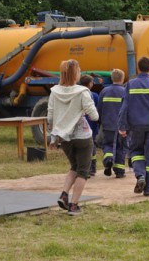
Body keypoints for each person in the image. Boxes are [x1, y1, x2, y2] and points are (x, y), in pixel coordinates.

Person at [48, 59, 98, 216]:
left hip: (64, 138)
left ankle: (64, 194)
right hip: (82, 136)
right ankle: (74, 205)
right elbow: (94, 116)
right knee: (83, 171)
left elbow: (50, 117)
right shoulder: (82, 92)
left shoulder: (54, 92)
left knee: (74, 167)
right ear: (76, 73)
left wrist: (53, 137)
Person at [118, 56, 149, 196]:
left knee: (135, 152)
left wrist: (122, 126)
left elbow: (124, 107)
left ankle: (140, 175)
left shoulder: (130, 84)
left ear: (138, 68)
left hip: (135, 126)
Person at [97, 69, 126, 178]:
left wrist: (100, 121)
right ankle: (119, 171)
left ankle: (108, 159)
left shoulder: (104, 91)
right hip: (121, 125)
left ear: (112, 78)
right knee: (120, 147)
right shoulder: (125, 91)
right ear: (122, 79)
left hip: (108, 124)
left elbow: (99, 108)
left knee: (108, 144)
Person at [79, 74, 99, 176]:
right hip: (92, 126)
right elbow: (97, 110)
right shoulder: (94, 96)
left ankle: (84, 169)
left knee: (82, 150)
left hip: (81, 127)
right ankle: (92, 169)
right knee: (92, 148)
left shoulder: (77, 95)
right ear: (89, 84)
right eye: (92, 82)